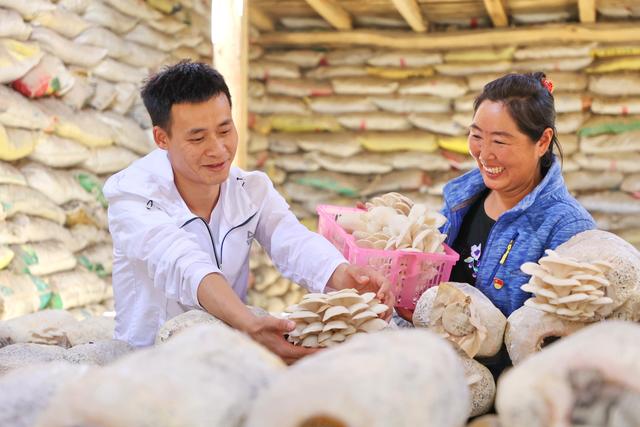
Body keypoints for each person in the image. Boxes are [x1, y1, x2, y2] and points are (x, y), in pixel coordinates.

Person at [103, 61, 393, 363]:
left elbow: (292, 241)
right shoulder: (131, 195)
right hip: (146, 364)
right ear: (162, 138)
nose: (218, 149)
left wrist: (345, 275)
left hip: (225, 359)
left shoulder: (250, 189)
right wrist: (248, 323)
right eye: (198, 138)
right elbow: (181, 261)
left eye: (225, 129)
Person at [438, 72, 595, 378]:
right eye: (476, 135)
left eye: (499, 141)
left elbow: (556, 341)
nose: (484, 154)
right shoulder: (461, 198)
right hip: (439, 368)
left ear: (543, 141)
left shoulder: (567, 228)